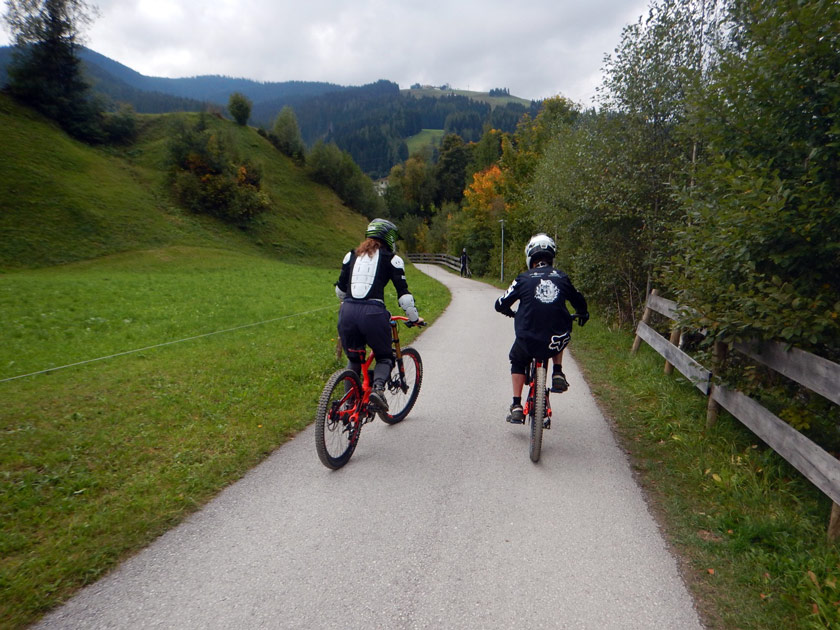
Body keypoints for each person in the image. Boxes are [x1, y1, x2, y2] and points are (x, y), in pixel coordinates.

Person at [494, 233, 588, 424]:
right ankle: (557, 372)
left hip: (527, 338)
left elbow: (500, 303)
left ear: (530, 257)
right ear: (551, 256)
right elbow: (579, 300)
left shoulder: (523, 278)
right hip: (555, 338)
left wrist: (510, 312)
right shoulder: (561, 277)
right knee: (559, 331)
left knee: (517, 359)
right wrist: (583, 313)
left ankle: (517, 405)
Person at [335, 218, 423, 412]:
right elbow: (404, 296)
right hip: (373, 314)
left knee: (355, 359)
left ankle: (349, 406)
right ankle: (378, 389)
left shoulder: (351, 256)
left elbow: (340, 293)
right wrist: (414, 318)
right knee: (385, 357)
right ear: (389, 237)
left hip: (347, 312)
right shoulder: (392, 258)